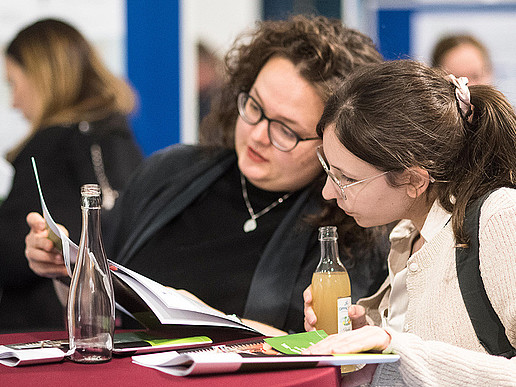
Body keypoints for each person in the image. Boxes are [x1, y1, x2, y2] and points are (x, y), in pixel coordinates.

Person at [25, 15, 389, 334]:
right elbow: (103, 293)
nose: (258, 134)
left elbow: (327, 348)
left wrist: (200, 316)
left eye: (286, 130)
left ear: (330, 144)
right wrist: (64, 269)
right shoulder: (171, 171)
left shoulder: (350, 224)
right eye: (255, 106)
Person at [302, 59, 516, 385]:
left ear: (414, 179)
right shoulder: (408, 234)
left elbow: (417, 357)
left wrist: (396, 349)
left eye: (346, 178)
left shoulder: (499, 221)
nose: (329, 191)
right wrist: (367, 339)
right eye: (329, 169)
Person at [0, 18, 143, 332]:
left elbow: (9, 256)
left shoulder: (48, 149)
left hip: (41, 336)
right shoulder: (120, 140)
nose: (13, 102)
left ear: (42, 78)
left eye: (13, 83)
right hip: (119, 328)